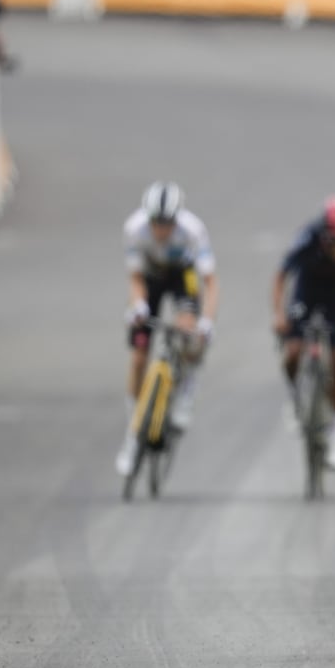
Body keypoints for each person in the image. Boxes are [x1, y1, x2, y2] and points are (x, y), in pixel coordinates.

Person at [116, 182, 218, 477]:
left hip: (181, 276)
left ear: (177, 218)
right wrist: (137, 305)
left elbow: (210, 283)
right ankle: (133, 434)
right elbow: (135, 277)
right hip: (150, 279)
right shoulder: (134, 229)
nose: (161, 230)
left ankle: (186, 391)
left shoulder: (193, 231)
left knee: (189, 332)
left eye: (167, 223)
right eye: (156, 223)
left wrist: (206, 321)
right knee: (138, 355)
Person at [272, 195, 335, 471]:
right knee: (292, 351)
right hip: (307, 294)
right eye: (333, 242)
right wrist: (279, 314)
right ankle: (295, 397)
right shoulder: (308, 238)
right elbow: (281, 277)